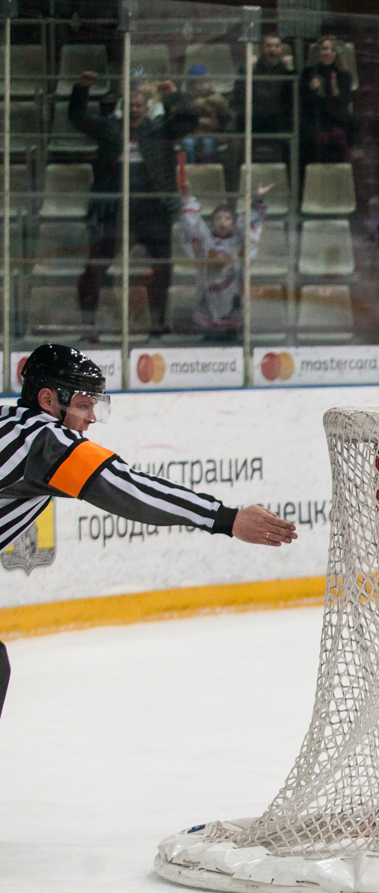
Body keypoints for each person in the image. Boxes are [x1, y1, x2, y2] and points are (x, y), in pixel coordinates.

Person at [0, 345, 298, 718]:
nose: (91, 417)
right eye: (82, 405)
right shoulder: (43, 442)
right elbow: (130, 490)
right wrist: (225, 518)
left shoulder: (8, 421)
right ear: (47, 399)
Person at [70, 72, 195, 338]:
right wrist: (82, 90)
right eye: (130, 106)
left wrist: (175, 94)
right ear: (122, 108)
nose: (134, 110)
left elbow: (188, 121)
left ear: (147, 108)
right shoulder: (110, 128)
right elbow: (78, 118)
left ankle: (157, 324)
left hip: (152, 206)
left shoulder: (159, 128)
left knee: (162, 265)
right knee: (96, 266)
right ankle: (88, 326)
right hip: (113, 207)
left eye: (139, 106)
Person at [176, 182, 271, 341]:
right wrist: (187, 197)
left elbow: (247, 227)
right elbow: (192, 226)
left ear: (233, 224)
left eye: (227, 218)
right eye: (218, 218)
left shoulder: (238, 243)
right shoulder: (206, 242)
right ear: (212, 223)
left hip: (232, 311)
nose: (222, 221)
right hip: (208, 308)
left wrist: (258, 198)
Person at [233, 33, 294, 163]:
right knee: (236, 144)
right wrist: (249, 73)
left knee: (292, 143)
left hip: (278, 122)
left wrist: (290, 73)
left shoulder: (285, 70)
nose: (272, 49)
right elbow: (238, 97)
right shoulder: (251, 68)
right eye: (268, 46)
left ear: (281, 50)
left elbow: (294, 99)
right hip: (254, 120)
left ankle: (290, 181)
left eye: (276, 46)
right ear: (261, 49)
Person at [300, 36, 355, 169]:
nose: (328, 52)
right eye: (324, 49)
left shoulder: (344, 75)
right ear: (318, 51)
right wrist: (312, 90)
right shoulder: (309, 72)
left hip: (337, 122)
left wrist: (335, 89)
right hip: (316, 121)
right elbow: (304, 101)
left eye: (332, 49)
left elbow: (344, 102)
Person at [182, 65, 233, 166]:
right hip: (193, 134)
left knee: (207, 144)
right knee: (187, 144)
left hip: (211, 134)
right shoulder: (187, 101)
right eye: (198, 83)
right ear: (191, 86)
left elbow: (227, 118)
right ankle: (189, 171)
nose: (202, 85)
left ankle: (208, 171)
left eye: (205, 82)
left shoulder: (216, 99)